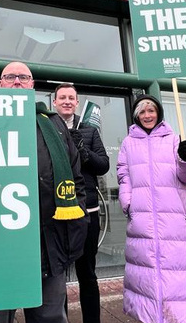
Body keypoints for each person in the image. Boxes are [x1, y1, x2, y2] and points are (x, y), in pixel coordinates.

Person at [0, 62, 88, 323]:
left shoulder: (53, 124)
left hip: (47, 246)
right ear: (0, 84)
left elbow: (75, 178)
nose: (17, 82)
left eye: (23, 77)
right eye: (10, 77)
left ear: (32, 86)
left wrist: (79, 220)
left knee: (49, 318)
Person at [117, 94, 186, 323]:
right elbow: (123, 175)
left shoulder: (174, 139)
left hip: (176, 218)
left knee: (181, 274)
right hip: (142, 217)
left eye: (151, 110)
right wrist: (127, 203)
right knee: (147, 272)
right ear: (136, 116)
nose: (147, 115)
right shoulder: (128, 142)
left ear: (158, 112)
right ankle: (152, 317)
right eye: (142, 112)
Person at [51, 83, 109, 323]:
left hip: (88, 211)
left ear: (76, 103)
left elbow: (103, 165)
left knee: (87, 273)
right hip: (56, 211)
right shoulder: (45, 128)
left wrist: (83, 150)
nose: (66, 101)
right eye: (62, 97)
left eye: (71, 98)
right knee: (57, 277)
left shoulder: (90, 131)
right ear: (54, 102)